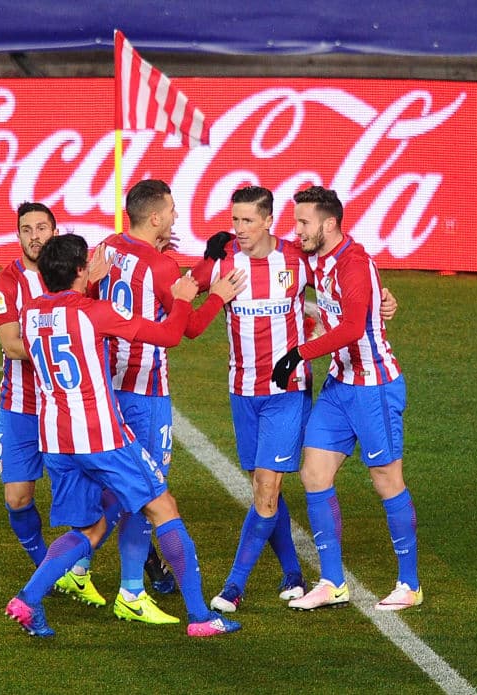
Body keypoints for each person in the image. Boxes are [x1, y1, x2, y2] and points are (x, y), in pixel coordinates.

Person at [5, 233, 241, 638]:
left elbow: (62, 315)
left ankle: (27, 599)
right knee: (163, 508)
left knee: (89, 530)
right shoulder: (96, 313)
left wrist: (88, 283)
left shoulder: (28, 313)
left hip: (56, 440)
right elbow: (169, 336)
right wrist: (183, 299)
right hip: (102, 437)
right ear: (81, 270)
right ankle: (201, 617)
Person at [93, 179, 246, 625]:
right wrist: (218, 295)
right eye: (173, 211)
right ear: (156, 217)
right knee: (147, 491)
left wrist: (205, 263)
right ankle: (130, 589)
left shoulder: (107, 246)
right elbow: (188, 325)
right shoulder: (160, 265)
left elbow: (167, 288)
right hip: (145, 392)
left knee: (119, 484)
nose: (177, 217)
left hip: (108, 385)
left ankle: (80, 568)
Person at [271, 185, 422, 611]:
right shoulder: (317, 258)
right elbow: (271, 247)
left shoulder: (354, 264)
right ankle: (333, 582)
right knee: (314, 474)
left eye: (304, 222)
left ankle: (409, 584)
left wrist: (298, 354)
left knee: (386, 479)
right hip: (340, 384)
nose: (297, 230)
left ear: (329, 224)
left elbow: (354, 328)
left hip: (374, 388)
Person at [190, 185, 313, 613]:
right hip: (242, 391)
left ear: (268, 221)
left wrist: (381, 301)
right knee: (264, 486)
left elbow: (339, 288)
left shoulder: (296, 259)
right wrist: (201, 271)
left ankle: (233, 586)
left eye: (247, 221)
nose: (239, 228)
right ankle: (293, 572)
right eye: (235, 220)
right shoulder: (223, 260)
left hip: (286, 391)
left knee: (266, 488)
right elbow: (180, 294)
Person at [0, 202, 105, 607]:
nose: (34, 236)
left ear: (55, 231)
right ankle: (50, 570)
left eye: (41, 228)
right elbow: (11, 345)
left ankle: (93, 571)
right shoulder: (5, 284)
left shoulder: (75, 277)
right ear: (17, 235)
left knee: (88, 495)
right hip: (20, 406)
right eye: (26, 229)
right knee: (17, 498)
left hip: (65, 407)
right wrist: (61, 342)